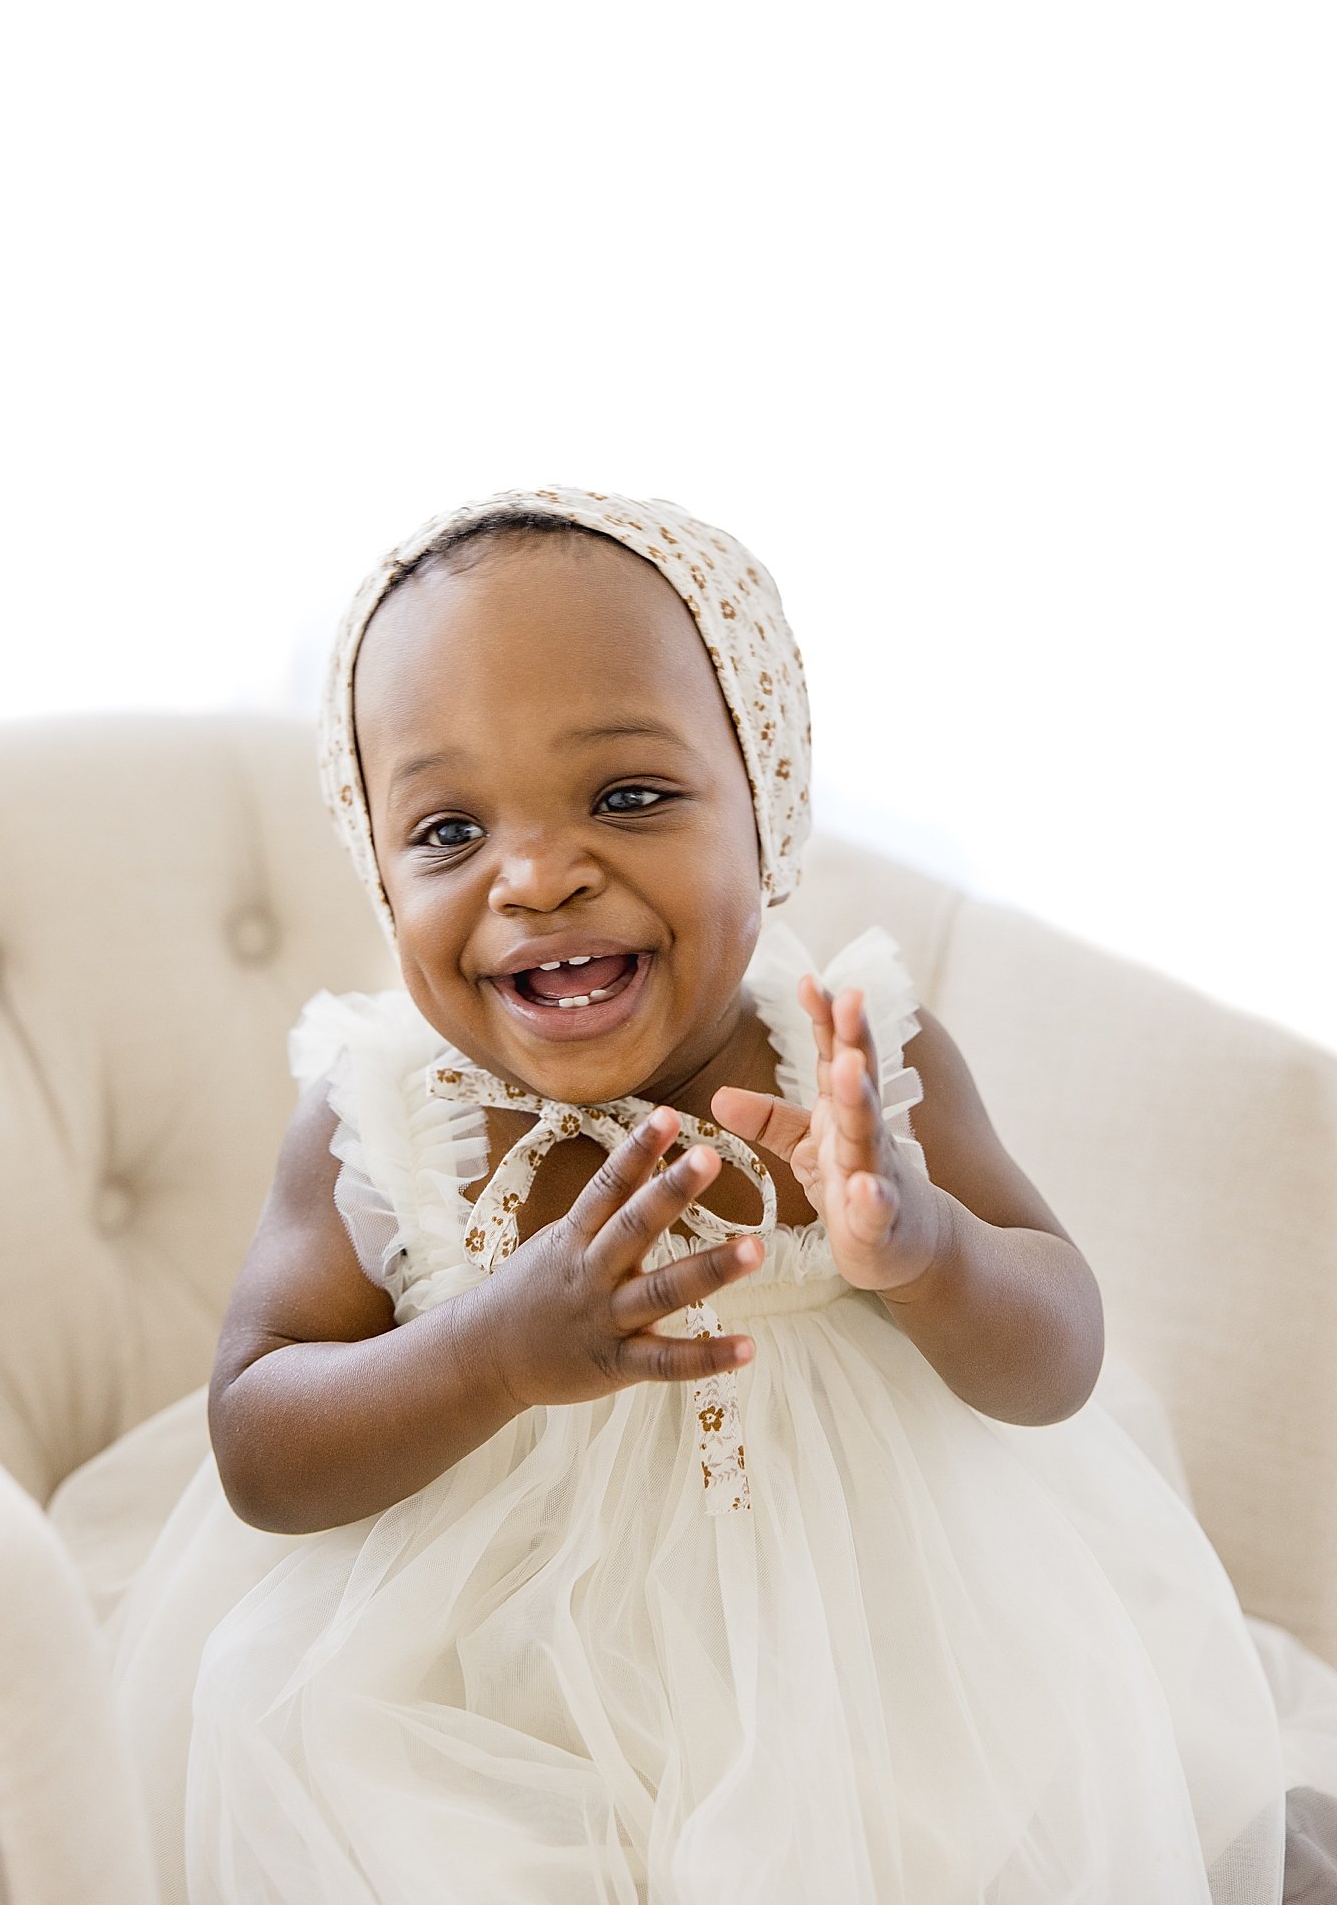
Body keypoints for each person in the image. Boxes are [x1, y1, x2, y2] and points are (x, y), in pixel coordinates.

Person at [104, 486, 1336, 1903]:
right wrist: (483, 1354)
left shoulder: (853, 1049)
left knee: (1067, 1837)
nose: (538, 874)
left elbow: (1058, 1359)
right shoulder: (385, 1120)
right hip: (493, 1695)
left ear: (768, 808)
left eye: (627, 796)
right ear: (380, 874)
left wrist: (927, 1251)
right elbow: (260, 1444)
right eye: (447, 830)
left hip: (879, 1664)